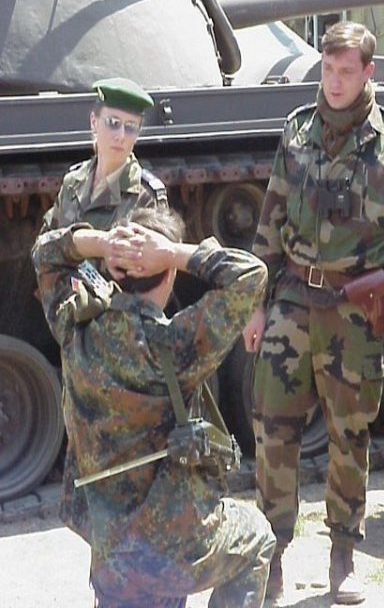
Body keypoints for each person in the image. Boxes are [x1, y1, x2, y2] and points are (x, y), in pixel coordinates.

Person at [242, 21, 384, 604]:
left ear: (368, 71)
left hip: (356, 310)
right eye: (328, 69)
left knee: (350, 436)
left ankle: (343, 555)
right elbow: (270, 222)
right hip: (293, 300)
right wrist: (255, 307)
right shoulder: (297, 130)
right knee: (273, 431)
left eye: (346, 71)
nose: (334, 81)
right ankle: (272, 556)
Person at [32, 205, 275, 608]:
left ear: (115, 272)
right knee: (257, 537)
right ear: (169, 274)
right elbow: (251, 274)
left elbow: (45, 252)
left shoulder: (76, 329)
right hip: (170, 549)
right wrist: (174, 253)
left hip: (108, 547)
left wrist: (103, 243)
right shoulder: (177, 346)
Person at [38, 76, 167, 280]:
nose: (121, 135)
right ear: (94, 122)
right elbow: (44, 245)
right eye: (113, 123)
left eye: (131, 126)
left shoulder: (144, 196)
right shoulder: (73, 181)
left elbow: (152, 279)